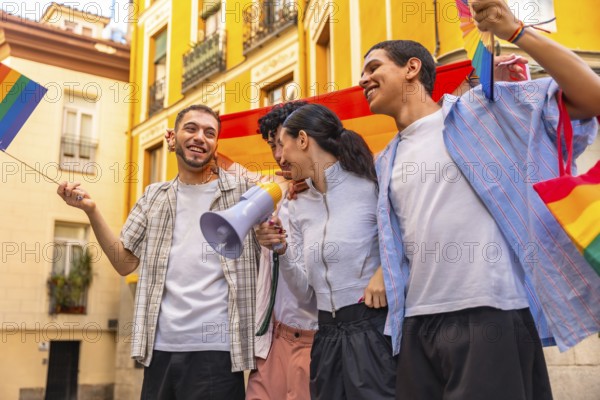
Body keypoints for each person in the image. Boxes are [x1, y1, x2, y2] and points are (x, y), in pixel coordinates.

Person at [358, 1, 600, 399]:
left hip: (491, 314)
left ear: (412, 68)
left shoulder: (484, 112)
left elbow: (590, 98)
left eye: (373, 67)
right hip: (416, 324)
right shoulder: (384, 161)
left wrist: (516, 31)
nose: (362, 78)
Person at [57, 104, 260, 400]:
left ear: (217, 144)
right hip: (160, 350)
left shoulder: (242, 192)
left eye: (209, 133)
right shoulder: (154, 196)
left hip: (217, 352)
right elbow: (123, 263)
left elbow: (278, 185)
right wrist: (91, 211)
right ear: (173, 138)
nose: (200, 137)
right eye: (190, 129)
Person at [256, 103, 394, 400]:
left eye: (283, 145)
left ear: (303, 140)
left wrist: (385, 271)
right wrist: (282, 249)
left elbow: (409, 236)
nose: (280, 157)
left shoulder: (373, 180)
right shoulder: (298, 202)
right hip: (325, 338)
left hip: (373, 330)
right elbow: (306, 293)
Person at [245, 101, 318, 400]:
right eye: (273, 145)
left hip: (315, 340)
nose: (278, 155)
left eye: (283, 143)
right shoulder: (275, 193)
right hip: (273, 339)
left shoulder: (329, 192)